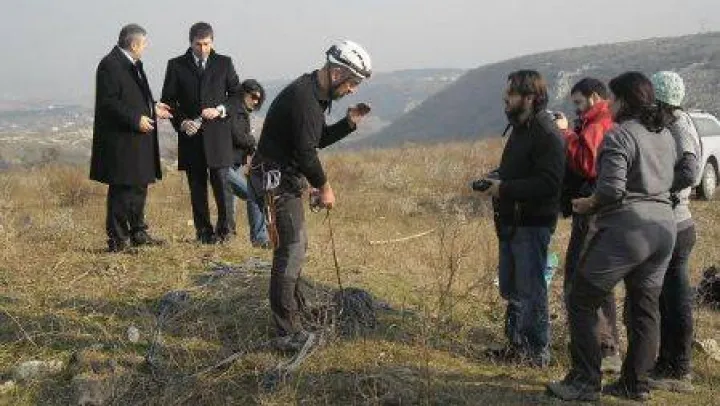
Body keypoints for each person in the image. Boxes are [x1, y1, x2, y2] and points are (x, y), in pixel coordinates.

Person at [547, 72, 677, 402]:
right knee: (644, 308)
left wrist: (588, 203)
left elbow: (610, 189)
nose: (611, 105)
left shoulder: (620, 135)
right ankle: (636, 384)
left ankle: (584, 381)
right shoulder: (664, 134)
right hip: (665, 228)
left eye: (614, 99)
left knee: (581, 298)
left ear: (624, 101)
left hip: (628, 230)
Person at [250, 40, 373, 351]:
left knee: (296, 246)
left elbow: (313, 140)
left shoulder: (315, 95)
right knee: (290, 250)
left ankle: (296, 310)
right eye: (352, 83)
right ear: (337, 74)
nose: (352, 90)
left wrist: (348, 123)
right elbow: (307, 154)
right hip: (275, 180)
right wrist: (324, 187)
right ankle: (285, 331)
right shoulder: (304, 99)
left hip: (284, 177)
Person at [476, 70, 565, 367]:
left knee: (530, 291)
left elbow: (550, 183)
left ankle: (535, 354)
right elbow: (520, 170)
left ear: (529, 98)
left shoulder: (546, 133)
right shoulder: (520, 128)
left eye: (511, 93)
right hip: (513, 221)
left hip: (532, 223)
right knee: (513, 288)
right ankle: (516, 347)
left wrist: (504, 188)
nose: (505, 98)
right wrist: (495, 178)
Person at [555, 78, 621, 373]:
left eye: (580, 103)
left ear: (594, 97)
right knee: (597, 277)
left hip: (592, 209)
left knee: (583, 277)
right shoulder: (597, 122)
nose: (578, 109)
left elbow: (587, 163)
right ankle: (604, 346)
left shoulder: (599, 123)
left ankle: (598, 350)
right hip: (599, 209)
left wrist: (565, 134)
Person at [89, 24, 173, 253]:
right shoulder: (110, 65)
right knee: (122, 189)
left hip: (138, 139)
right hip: (122, 140)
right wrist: (136, 119)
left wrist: (153, 108)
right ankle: (118, 240)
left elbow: (133, 97)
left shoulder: (133, 64)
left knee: (138, 186)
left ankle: (138, 233)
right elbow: (109, 102)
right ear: (134, 44)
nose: (146, 47)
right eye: (144, 44)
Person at [161, 22, 242, 244]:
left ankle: (226, 232)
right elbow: (169, 101)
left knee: (222, 186)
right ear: (191, 43)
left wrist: (219, 110)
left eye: (207, 44)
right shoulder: (176, 65)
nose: (203, 49)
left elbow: (237, 96)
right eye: (199, 44)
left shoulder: (224, 63)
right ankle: (204, 233)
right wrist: (182, 122)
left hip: (218, 136)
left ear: (212, 41)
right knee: (197, 188)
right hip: (191, 136)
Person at [648, 71, 701, 393]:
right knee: (667, 300)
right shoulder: (672, 123)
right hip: (672, 224)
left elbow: (690, 171)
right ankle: (667, 362)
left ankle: (680, 368)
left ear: (662, 101)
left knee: (676, 300)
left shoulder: (679, 125)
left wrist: (657, 187)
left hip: (677, 225)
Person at [226, 79, 270, 248]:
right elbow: (238, 136)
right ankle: (259, 238)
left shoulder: (240, 110)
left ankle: (226, 235)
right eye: (253, 97)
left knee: (229, 201)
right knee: (255, 195)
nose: (256, 101)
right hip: (224, 164)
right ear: (244, 93)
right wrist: (252, 141)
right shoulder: (236, 109)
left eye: (259, 99)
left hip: (233, 164)